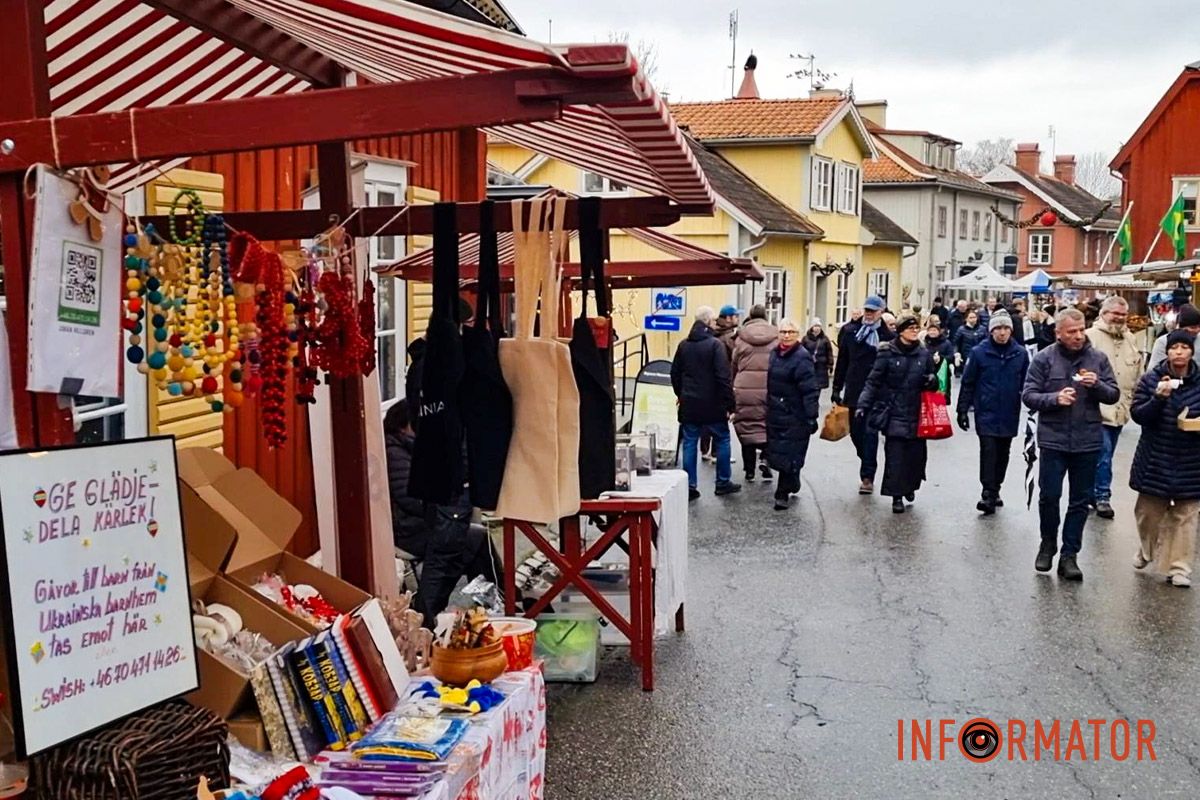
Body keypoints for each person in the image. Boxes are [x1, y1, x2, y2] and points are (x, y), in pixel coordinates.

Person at [1022, 308, 1120, 581]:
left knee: (1079, 501)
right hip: (1053, 440)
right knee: (1049, 496)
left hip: (1087, 440)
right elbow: (1029, 395)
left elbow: (1113, 395)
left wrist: (1097, 385)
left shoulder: (1098, 358)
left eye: (1081, 330)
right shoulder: (1044, 358)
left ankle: (1069, 555)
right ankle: (1047, 543)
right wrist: (1054, 399)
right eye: (1071, 332)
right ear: (1059, 333)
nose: (1078, 336)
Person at [384, 400, 503, 626]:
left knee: (472, 539)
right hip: (410, 530)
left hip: (423, 524)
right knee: (468, 540)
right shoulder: (396, 452)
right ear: (404, 425)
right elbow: (410, 498)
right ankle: (496, 602)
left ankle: (492, 603)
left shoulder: (408, 449)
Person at [1129, 330, 1200, 588]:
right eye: (1174, 348)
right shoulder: (1151, 380)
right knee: (1147, 513)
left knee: (1186, 515)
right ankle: (1147, 550)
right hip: (1155, 457)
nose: (1179, 352)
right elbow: (1138, 414)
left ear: (1192, 351)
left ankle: (1179, 568)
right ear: (1167, 351)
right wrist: (1158, 398)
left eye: (1184, 347)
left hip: (1192, 459)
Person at [858, 314, 939, 513]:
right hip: (893, 410)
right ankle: (896, 496)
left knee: (915, 457)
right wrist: (863, 404)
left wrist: (932, 380)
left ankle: (910, 485)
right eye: (910, 328)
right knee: (895, 456)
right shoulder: (887, 353)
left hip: (917, 412)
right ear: (901, 330)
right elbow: (873, 381)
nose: (914, 331)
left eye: (916, 328)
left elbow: (935, 381)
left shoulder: (924, 353)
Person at [957, 310, 1029, 514]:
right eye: (998, 328)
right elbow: (968, 382)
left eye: (1006, 328)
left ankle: (996, 487)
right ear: (991, 331)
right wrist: (962, 409)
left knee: (1003, 452)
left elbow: (1028, 383)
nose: (1002, 333)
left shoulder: (1020, 354)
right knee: (988, 451)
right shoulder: (980, 352)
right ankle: (987, 492)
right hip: (986, 410)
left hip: (1009, 410)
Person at [671, 306, 741, 500]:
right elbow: (723, 377)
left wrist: (682, 393)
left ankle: (690, 485)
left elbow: (674, 374)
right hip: (713, 404)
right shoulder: (715, 345)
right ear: (709, 322)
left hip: (690, 404)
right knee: (723, 439)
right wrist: (730, 404)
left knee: (690, 443)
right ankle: (722, 482)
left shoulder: (684, 345)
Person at [1084, 296, 1143, 519]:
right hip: (1096, 409)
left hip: (1120, 409)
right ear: (1103, 313)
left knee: (1104, 453)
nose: (1119, 318)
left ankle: (1089, 491)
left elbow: (1137, 372)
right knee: (1104, 453)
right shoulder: (1090, 337)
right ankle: (1102, 496)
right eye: (1115, 314)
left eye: (1122, 314)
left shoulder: (1130, 339)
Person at [832, 295, 895, 494]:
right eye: (866, 310)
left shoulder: (888, 337)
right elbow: (842, 362)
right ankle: (866, 458)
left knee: (870, 434)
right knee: (856, 434)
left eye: (873, 311)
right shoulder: (851, 332)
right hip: (854, 391)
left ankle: (867, 476)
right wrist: (836, 389)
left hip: (877, 393)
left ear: (881, 312)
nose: (868, 314)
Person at [765, 319, 820, 511]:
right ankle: (792, 480)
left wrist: (811, 415)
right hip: (775, 411)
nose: (786, 335)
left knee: (790, 452)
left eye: (790, 332)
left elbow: (809, 389)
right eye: (783, 332)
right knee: (779, 452)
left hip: (795, 413)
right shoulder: (774, 354)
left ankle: (781, 493)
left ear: (797, 334)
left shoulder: (802, 357)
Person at [731, 304, 778, 483]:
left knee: (746, 425)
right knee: (767, 424)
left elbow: (734, 362)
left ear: (750, 316)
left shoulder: (741, 337)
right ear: (765, 316)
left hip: (745, 389)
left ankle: (749, 470)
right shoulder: (775, 337)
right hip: (769, 387)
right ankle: (766, 459)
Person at [1149, 303, 1200, 369]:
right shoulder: (1163, 342)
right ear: (1179, 327)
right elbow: (1152, 370)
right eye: (1193, 327)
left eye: (1198, 327)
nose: (1197, 330)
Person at [922, 317, 955, 405]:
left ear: (939, 331)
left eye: (934, 330)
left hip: (942, 375)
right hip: (928, 375)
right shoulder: (923, 343)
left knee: (939, 401)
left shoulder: (946, 343)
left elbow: (951, 357)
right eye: (930, 330)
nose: (932, 332)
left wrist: (941, 358)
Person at [802, 318, 834, 391]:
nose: (817, 328)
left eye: (819, 326)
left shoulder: (825, 339)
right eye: (815, 326)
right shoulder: (806, 339)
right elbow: (801, 351)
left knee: (818, 387)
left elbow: (829, 352)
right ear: (812, 327)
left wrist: (830, 364)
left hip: (821, 366)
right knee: (809, 385)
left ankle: (816, 400)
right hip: (809, 365)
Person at [953, 309, 986, 376]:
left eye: (974, 317)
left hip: (979, 356)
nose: (973, 319)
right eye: (971, 317)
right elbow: (956, 343)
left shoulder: (982, 329)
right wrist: (956, 353)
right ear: (966, 319)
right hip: (965, 357)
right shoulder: (961, 329)